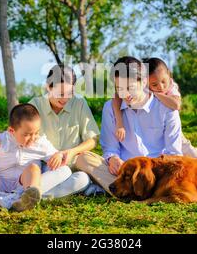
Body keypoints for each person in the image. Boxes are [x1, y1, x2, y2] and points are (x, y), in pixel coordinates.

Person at [0, 64, 102, 197]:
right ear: (48, 87)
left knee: (83, 179)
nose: (65, 99)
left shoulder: (79, 103)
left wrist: (72, 152)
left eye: (70, 93)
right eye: (61, 93)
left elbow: (92, 140)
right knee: (59, 175)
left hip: (72, 165)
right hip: (45, 168)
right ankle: (22, 194)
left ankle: (21, 195)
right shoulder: (35, 105)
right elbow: (16, 131)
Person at [75, 56, 184, 194]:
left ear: (144, 82)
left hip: (155, 172)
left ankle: (122, 191)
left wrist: (147, 171)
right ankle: (133, 190)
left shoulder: (166, 108)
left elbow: (173, 154)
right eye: (120, 88)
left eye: (130, 87)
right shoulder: (110, 108)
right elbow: (110, 148)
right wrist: (113, 158)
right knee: (83, 159)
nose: (125, 94)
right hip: (123, 173)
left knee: (179, 169)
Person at [112, 57, 197, 159]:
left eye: (163, 81)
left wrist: (154, 93)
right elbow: (116, 96)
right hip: (155, 129)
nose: (161, 87)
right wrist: (119, 123)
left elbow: (176, 105)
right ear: (146, 82)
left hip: (173, 129)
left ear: (169, 75)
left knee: (190, 152)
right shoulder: (141, 87)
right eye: (154, 84)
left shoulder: (171, 86)